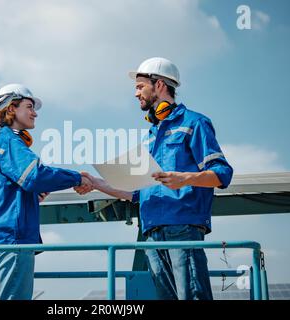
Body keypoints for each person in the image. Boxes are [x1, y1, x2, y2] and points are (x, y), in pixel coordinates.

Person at [83, 57, 233, 300]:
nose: (136, 93)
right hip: (151, 230)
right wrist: (96, 182)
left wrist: (184, 179)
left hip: (182, 226)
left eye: (140, 86)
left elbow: (222, 174)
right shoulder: (151, 135)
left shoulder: (195, 123)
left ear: (160, 85)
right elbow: (137, 191)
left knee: (192, 297)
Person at [0, 84, 92, 300]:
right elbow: (35, 176)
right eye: (29, 106)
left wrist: (33, 193)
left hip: (5, 241)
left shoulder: (6, 144)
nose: (35, 113)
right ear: (11, 109)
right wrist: (77, 177)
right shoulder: (10, 142)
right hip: (12, 242)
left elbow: (22, 185)